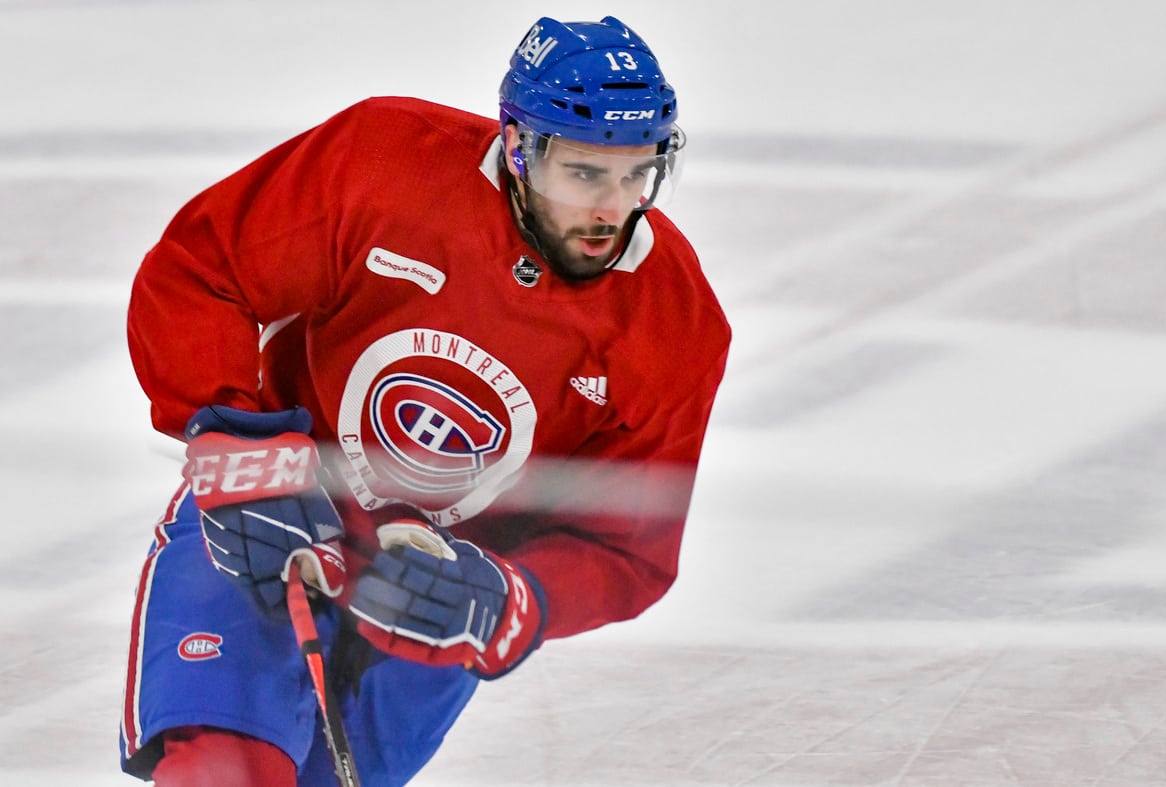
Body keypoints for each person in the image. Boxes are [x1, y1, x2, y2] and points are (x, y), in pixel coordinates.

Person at [119, 14, 730, 786]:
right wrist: (241, 446)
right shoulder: (383, 165)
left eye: (639, 173)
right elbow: (202, 270)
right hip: (277, 521)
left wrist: (510, 598)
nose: (614, 208)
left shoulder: (674, 324)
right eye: (583, 174)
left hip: (435, 604)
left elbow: (627, 545)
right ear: (519, 148)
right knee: (220, 769)